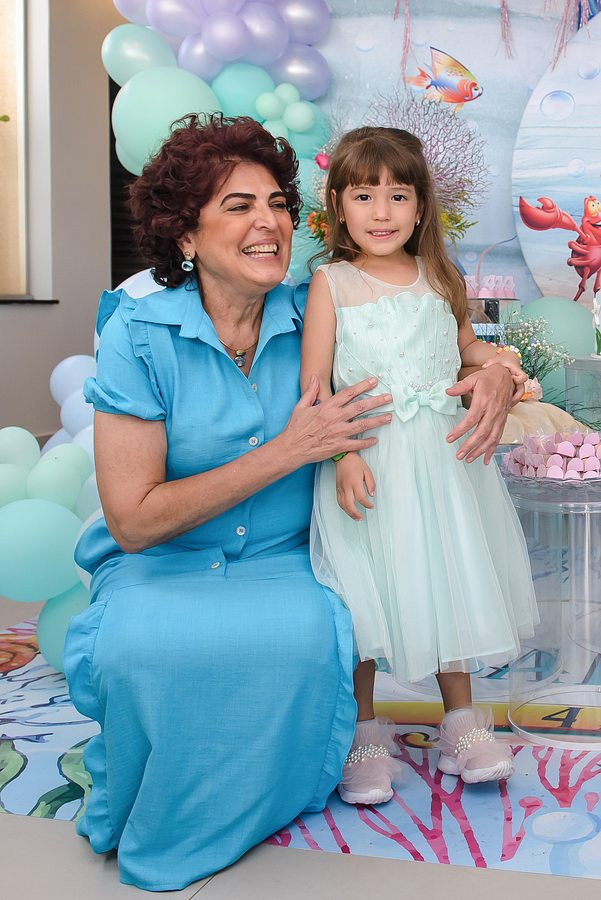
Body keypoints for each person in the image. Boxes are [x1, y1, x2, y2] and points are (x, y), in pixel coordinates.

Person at [64, 114, 520, 890]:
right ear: (185, 233)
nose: (268, 222)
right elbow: (133, 521)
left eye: (275, 203)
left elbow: (439, 340)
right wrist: (293, 449)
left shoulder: (315, 301)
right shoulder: (139, 334)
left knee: (313, 632)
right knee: (148, 647)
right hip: (166, 558)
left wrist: (500, 372)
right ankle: (164, 807)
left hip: (285, 555)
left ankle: (274, 789)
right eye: (238, 206)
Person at [301, 126, 538, 807]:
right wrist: (343, 454)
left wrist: (501, 365)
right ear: (337, 205)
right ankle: (364, 732)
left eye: (397, 196)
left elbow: (466, 349)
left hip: (440, 459)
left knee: (446, 580)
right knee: (365, 593)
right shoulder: (331, 284)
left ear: (421, 205)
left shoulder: (441, 277)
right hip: (368, 461)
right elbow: (313, 390)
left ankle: (460, 723)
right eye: (363, 196)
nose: (381, 213)